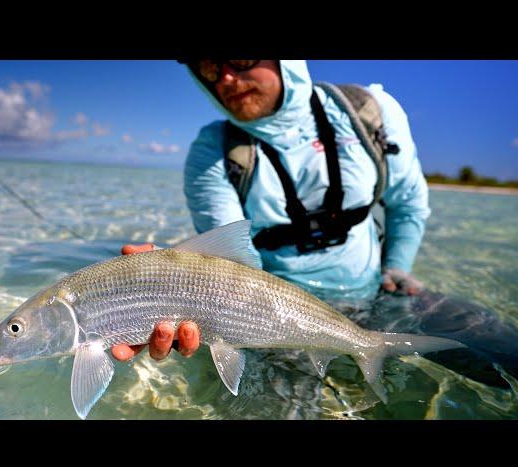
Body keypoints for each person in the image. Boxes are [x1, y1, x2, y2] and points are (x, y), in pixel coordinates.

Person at [111, 60, 429, 363]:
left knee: (472, 347)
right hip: (270, 318)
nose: (226, 78)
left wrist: (397, 268)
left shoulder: (369, 111)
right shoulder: (212, 152)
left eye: (241, 58)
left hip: (376, 295)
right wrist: (159, 281)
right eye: (209, 67)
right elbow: (230, 260)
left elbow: (408, 202)